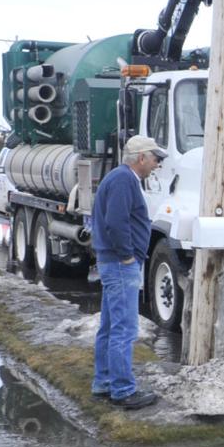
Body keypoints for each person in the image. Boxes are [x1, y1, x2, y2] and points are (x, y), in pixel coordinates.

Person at [90, 135, 166, 410]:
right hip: (120, 265)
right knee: (124, 329)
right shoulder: (123, 180)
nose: (157, 164)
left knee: (110, 327)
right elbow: (116, 221)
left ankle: (103, 383)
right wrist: (126, 256)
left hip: (112, 262)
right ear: (141, 158)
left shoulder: (119, 178)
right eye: (155, 158)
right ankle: (123, 390)